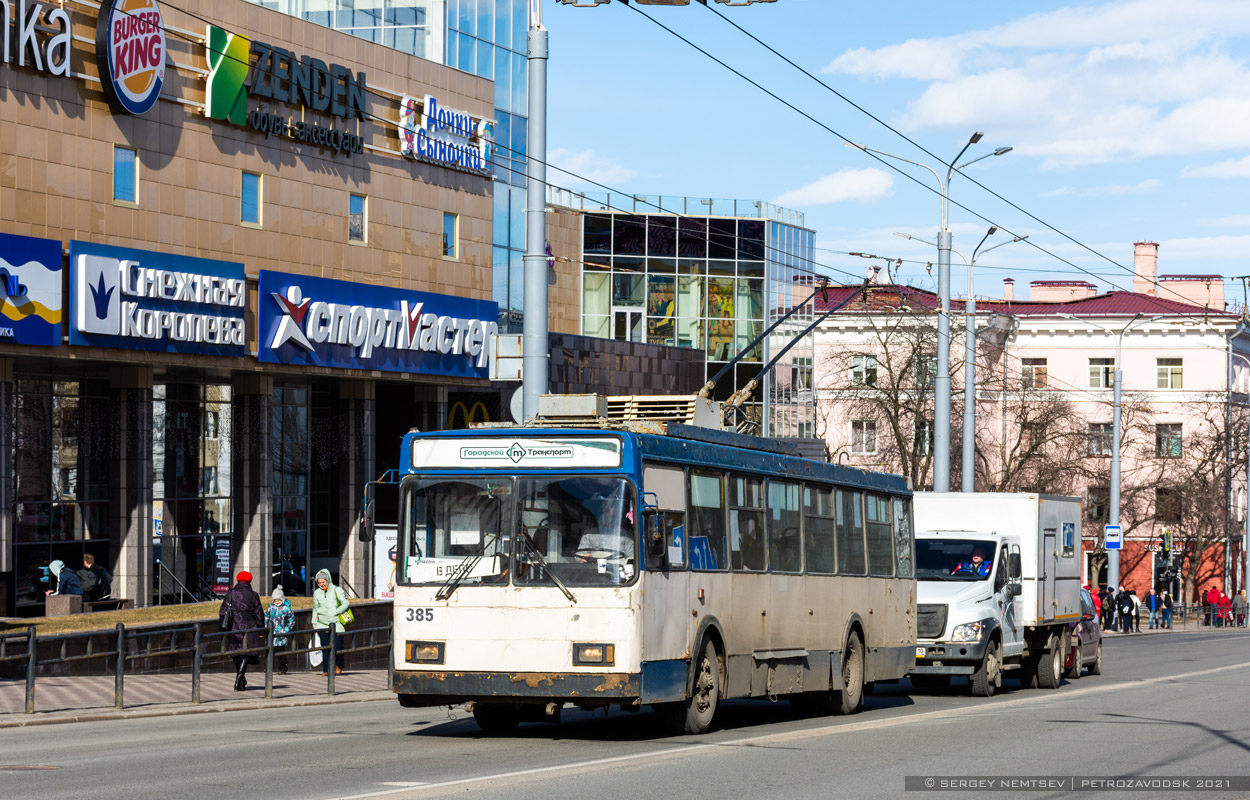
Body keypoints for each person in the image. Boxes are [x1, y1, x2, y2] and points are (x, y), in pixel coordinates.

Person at [220, 570, 265, 691]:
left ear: (238, 580)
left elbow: (222, 611)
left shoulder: (230, 593)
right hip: (249, 626)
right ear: (250, 581)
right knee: (246, 653)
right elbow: (258, 613)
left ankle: (241, 678)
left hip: (233, 627)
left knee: (236, 653)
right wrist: (261, 630)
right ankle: (239, 679)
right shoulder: (253, 595)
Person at [312, 569, 350, 676]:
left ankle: (339, 665)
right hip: (322, 624)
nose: (321, 584)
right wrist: (314, 623)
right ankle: (326, 670)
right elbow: (315, 608)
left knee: (337, 647)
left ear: (328, 579)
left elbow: (345, 603)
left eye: (323, 582)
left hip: (336, 622)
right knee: (325, 648)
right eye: (319, 583)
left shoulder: (336, 590)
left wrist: (336, 612)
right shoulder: (317, 593)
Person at [265, 586, 295, 675]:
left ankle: (282, 668)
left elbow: (291, 620)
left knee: (281, 652)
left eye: (278, 600)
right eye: (275, 600)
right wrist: (266, 626)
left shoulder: (286, 609)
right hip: (272, 633)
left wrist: (286, 629)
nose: (277, 602)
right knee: (270, 651)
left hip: (282, 634)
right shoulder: (271, 608)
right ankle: (268, 667)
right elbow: (266, 617)